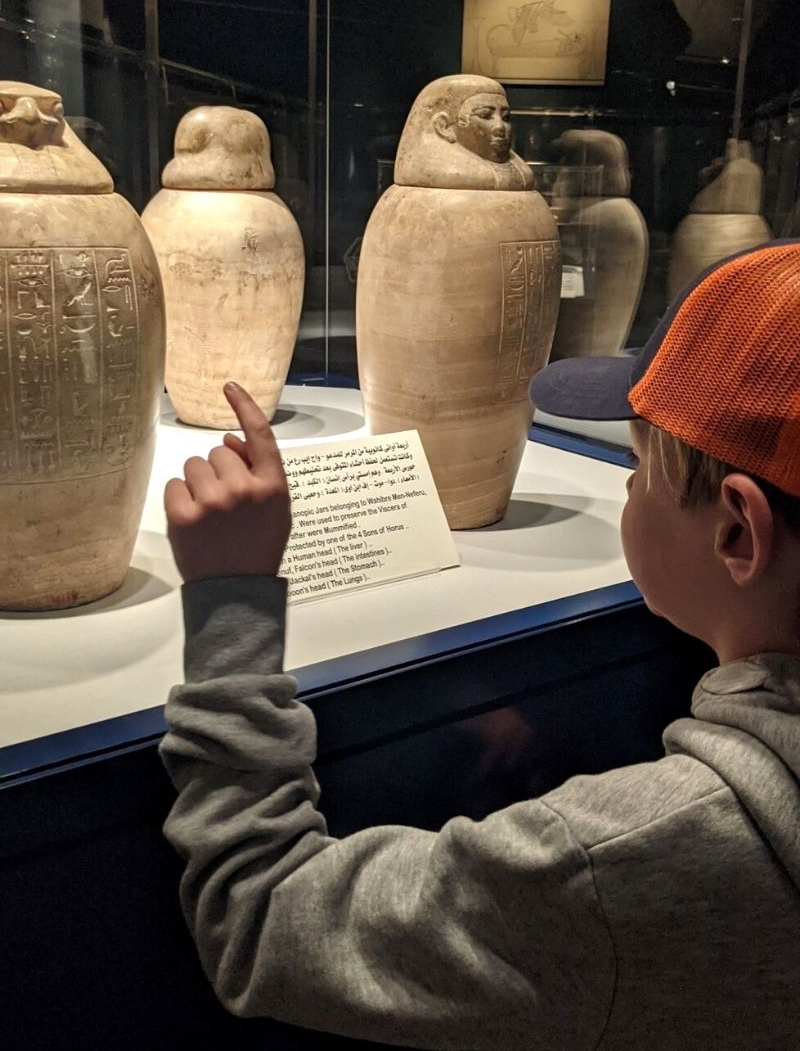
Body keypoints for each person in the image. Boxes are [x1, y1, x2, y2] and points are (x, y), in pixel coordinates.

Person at [160, 240, 800, 1049]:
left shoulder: (624, 861)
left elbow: (264, 918)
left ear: (737, 533)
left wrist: (231, 602)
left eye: (640, 468)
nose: (630, 488)